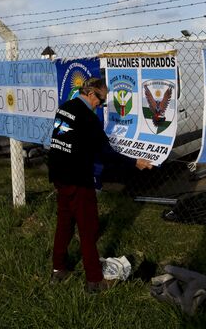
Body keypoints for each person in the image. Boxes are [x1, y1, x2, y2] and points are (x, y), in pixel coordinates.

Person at [48, 77, 152, 292]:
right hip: (77, 178)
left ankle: (58, 269)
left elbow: (61, 140)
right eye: (102, 101)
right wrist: (135, 162)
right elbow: (106, 154)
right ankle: (94, 281)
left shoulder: (65, 108)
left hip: (59, 175)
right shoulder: (88, 118)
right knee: (88, 229)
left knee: (65, 223)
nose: (101, 106)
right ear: (92, 94)